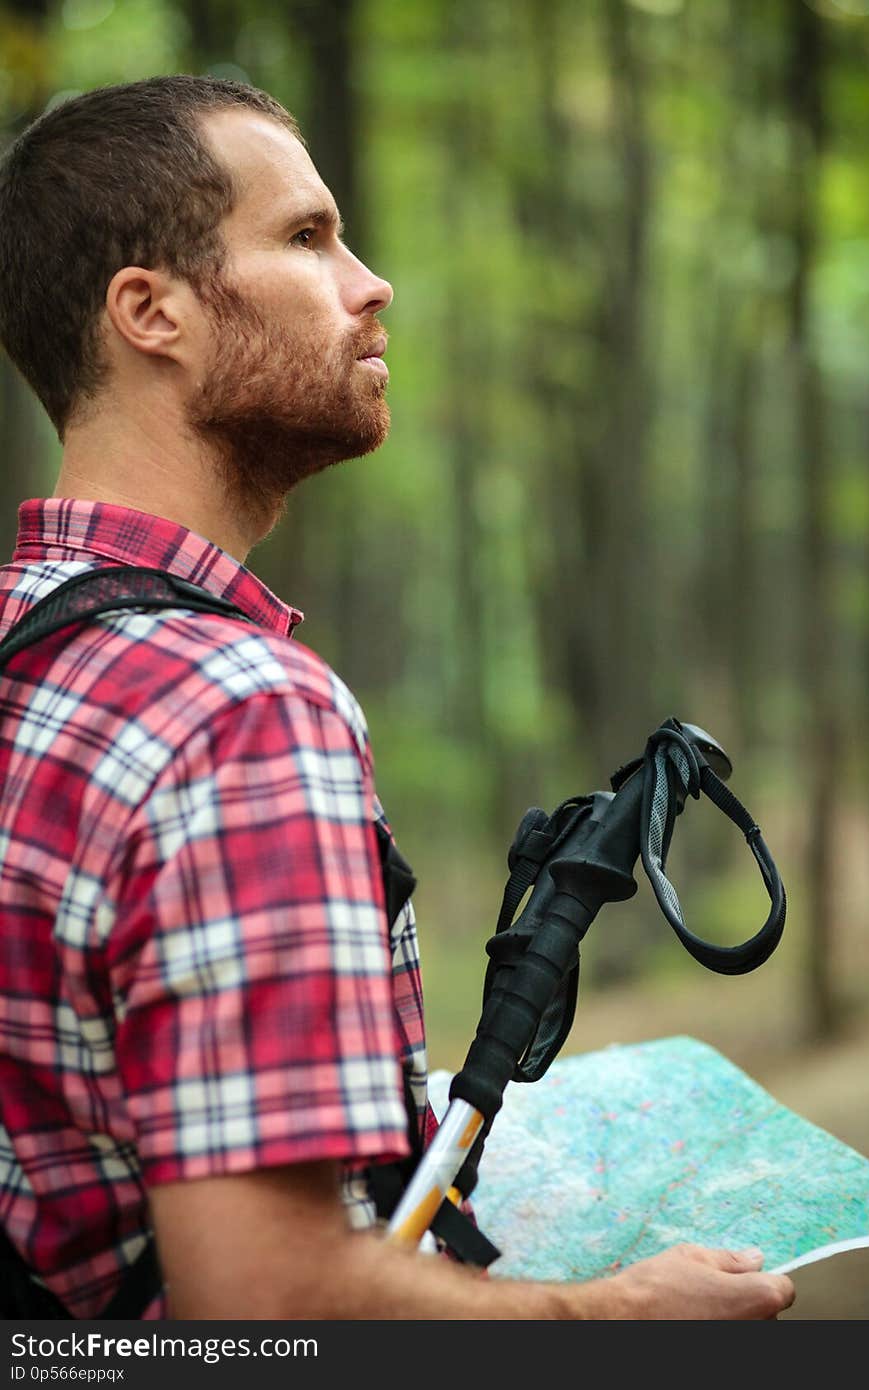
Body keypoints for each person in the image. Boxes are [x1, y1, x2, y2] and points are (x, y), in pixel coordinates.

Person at [0, 74, 795, 1321]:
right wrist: (611, 1316)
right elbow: (265, 1298)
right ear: (150, 312)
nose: (371, 284)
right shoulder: (235, 710)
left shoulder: (26, 649)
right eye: (307, 238)